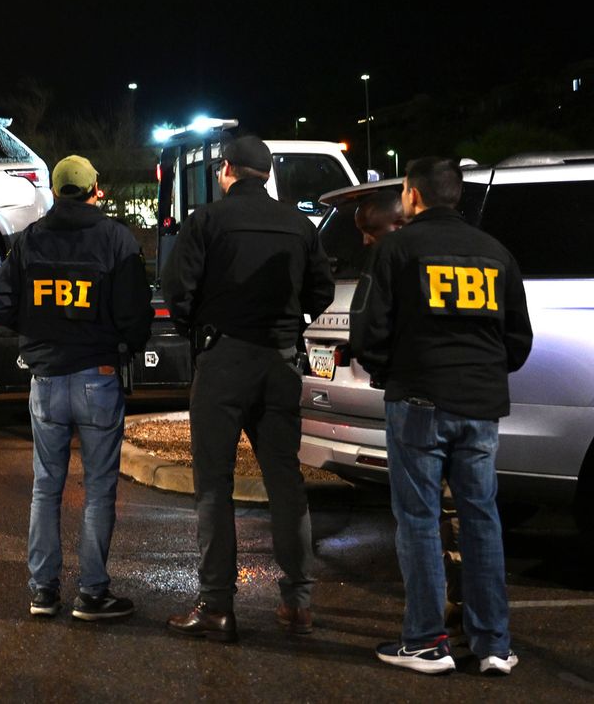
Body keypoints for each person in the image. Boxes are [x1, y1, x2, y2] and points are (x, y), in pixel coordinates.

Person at [351, 157, 531, 676]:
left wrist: (393, 373)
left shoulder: (396, 250)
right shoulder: (497, 254)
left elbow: (367, 335)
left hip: (419, 403)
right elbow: (518, 340)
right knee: (482, 519)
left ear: (411, 195)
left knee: (419, 521)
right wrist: (483, 371)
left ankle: (427, 642)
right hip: (481, 406)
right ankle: (494, 643)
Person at [161, 135, 335, 643]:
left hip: (224, 359)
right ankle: (298, 603)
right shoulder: (299, 225)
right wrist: (288, 322)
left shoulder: (208, 221)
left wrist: (201, 325)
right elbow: (320, 290)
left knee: (214, 485)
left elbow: (178, 290)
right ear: (267, 174)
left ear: (227, 170)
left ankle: (217, 607)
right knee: (285, 481)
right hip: (280, 360)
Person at [0, 154, 154, 621]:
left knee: (46, 488)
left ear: (57, 190)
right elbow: (134, 315)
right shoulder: (116, 239)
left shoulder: (29, 241)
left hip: (45, 380)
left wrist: (40, 333)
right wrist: (118, 342)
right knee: (99, 489)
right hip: (98, 379)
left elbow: (2, 306)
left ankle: (43, 592)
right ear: (93, 189)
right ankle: (92, 594)